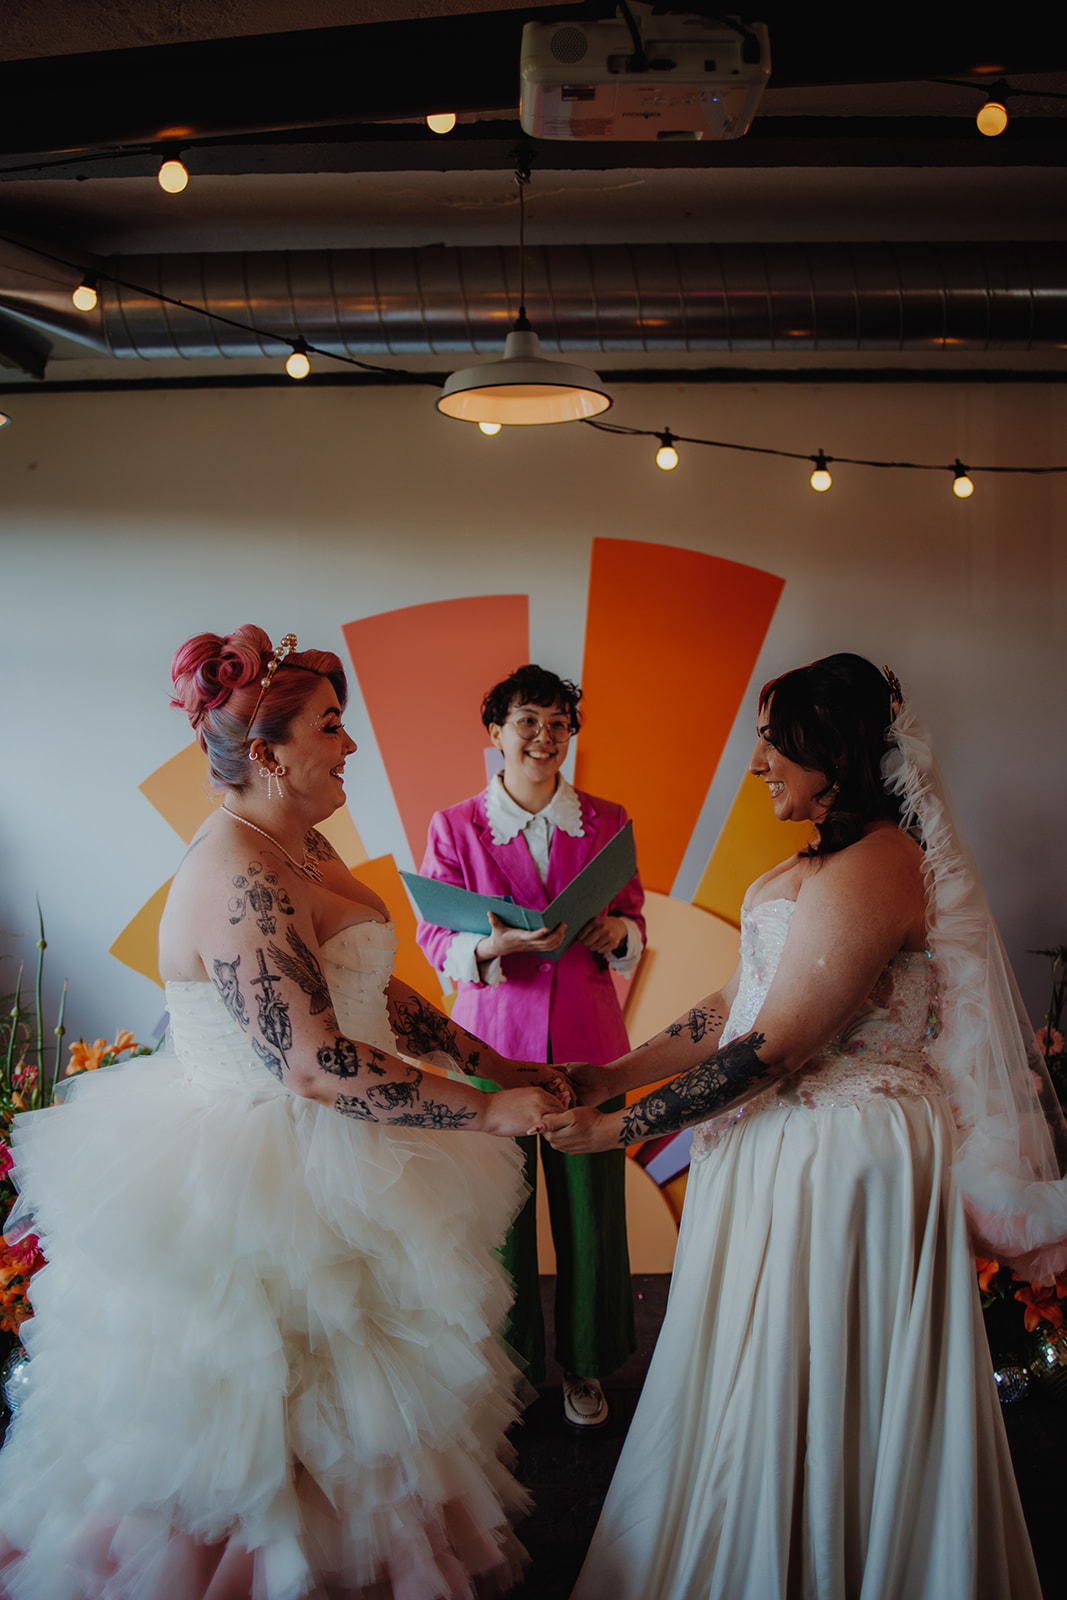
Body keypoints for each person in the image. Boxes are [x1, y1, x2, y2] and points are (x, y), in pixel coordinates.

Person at [0, 625, 568, 1600]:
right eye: (331, 726)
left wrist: (489, 1059)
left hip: (353, 1152)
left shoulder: (299, 841)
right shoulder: (237, 874)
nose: (351, 745)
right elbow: (312, 1060)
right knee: (271, 1427)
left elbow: (367, 986)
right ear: (268, 753)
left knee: (371, 1422)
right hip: (265, 1178)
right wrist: (486, 1113)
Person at [540, 653, 1064, 1600]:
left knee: (824, 1372)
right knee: (758, 1369)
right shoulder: (810, 865)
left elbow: (776, 1045)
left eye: (772, 742)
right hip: (781, 1147)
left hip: (843, 1157)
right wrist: (612, 1074)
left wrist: (622, 1131)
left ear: (837, 749)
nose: (757, 765)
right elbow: (733, 1006)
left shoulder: (880, 864)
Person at [416, 665, 645, 1429]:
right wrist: (492, 947)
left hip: (589, 1043)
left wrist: (619, 934)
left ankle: (587, 1365)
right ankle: (507, 1371)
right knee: (499, 1219)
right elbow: (434, 935)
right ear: (495, 732)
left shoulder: (608, 820)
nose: (544, 737)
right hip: (492, 1047)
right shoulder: (455, 827)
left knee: (592, 1214)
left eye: (558, 723)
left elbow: (634, 922)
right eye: (527, 722)